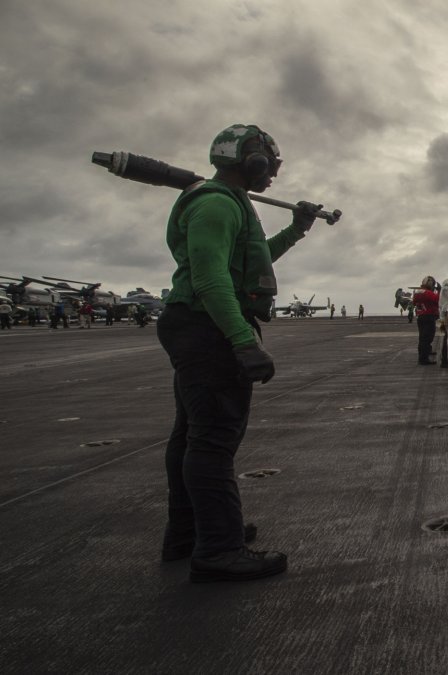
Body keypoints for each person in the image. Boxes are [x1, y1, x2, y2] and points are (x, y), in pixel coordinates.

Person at [157, 123, 324, 582]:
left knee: (191, 434)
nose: (273, 173)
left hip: (196, 326)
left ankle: (189, 533)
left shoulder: (227, 203)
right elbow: (212, 279)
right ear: (252, 160)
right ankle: (218, 548)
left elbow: (254, 261)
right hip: (207, 328)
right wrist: (243, 341)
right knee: (213, 440)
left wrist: (298, 228)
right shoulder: (215, 204)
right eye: (270, 164)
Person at [413, 276, 440, 365]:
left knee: (422, 337)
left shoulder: (417, 292)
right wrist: (439, 291)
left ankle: (424, 353)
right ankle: (423, 359)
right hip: (428, 317)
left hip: (420, 316)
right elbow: (438, 300)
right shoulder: (428, 293)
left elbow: (414, 302)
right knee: (427, 338)